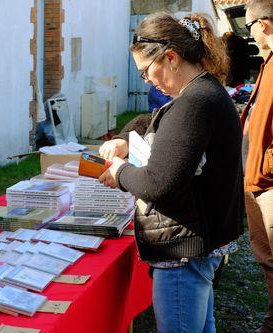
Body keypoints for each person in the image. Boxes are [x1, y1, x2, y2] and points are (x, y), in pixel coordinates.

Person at [98, 12, 244, 332]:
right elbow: (169, 149)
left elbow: (159, 182)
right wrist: (127, 144)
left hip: (184, 250)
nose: (146, 81)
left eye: (146, 72)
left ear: (171, 57)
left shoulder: (194, 102)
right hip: (197, 242)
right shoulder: (202, 93)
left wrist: (120, 172)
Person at [242, 1, 273, 332]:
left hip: (269, 182)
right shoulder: (268, 64)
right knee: (267, 261)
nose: (248, 35)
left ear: (262, 25)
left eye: (248, 27)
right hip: (259, 179)